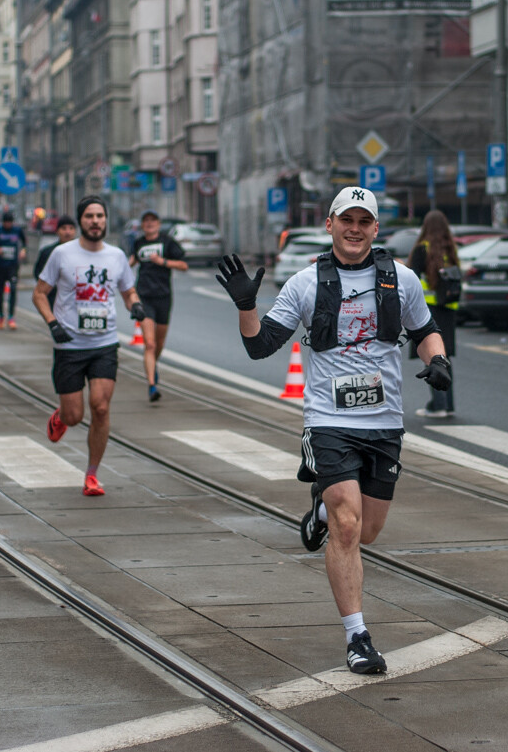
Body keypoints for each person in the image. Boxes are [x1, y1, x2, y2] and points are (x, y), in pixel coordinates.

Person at [217, 186, 450, 674]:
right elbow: (261, 347)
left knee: (368, 532)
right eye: (347, 219)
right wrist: (245, 306)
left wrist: (439, 361)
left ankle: (320, 510)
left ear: (375, 229)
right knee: (348, 525)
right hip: (329, 421)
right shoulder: (305, 283)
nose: (355, 229)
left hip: (384, 421)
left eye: (365, 221)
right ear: (330, 224)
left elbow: (426, 329)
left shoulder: (399, 279)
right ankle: (358, 637)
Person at [34, 196, 146, 496]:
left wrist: (134, 305)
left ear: (105, 220)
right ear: (81, 221)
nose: (95, 221)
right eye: (89, 216)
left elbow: (128, 290)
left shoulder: (117, 256)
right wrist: (52, 323)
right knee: (74, 416)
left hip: (104, 344)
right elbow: (39, 294)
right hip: (69, 346)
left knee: (101, 407)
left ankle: (92, 475)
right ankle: (61, 416)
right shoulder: (61, 254)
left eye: (100, 216)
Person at [129, 209, 188, 402]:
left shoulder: (167, 242)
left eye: (153, 221)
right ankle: (152, 385)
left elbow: (183, 265)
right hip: (143, 296)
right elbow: (131, 260)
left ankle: (153, 365)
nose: (149, 224)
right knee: (150, 343)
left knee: (159, 343)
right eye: (146, 221)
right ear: (143, 225)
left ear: (158, 223)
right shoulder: (139, 242)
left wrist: (162, 261)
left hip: (163, 296)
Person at [407, 211, 459, 418]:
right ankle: (448, 404)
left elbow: (411, 280)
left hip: (428, 309)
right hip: (449, 310)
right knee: (443, 358)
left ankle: (438, 405)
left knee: (431, 356)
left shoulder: (422, 250)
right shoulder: (451, 250)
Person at [0, 210, 27, 329]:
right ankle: (0, 316)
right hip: (0, 266)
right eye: (6, 223)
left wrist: (23, 251)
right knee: (0, 291)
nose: (8, 225)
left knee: (13, 290)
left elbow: (24, 242)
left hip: (13, 265)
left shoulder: (17, 230)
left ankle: (11, 317)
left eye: (10, 223)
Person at [33, 214, 77, 310]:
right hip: (54, 300)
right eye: (64, 228)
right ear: (57, 231)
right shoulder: (48, 252)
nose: (67, 232)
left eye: (71, 228)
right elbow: (38, 272)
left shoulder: (82, 253)